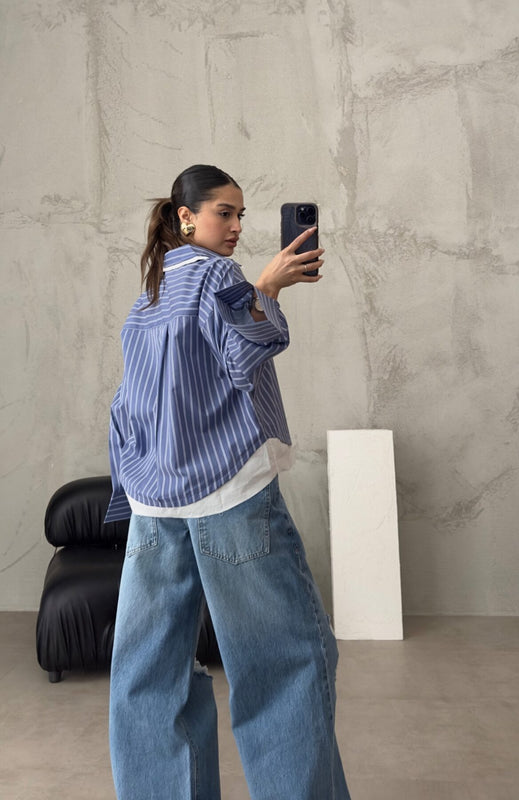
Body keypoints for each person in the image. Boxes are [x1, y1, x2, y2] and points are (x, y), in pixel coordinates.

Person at [105, 164, 351, 800]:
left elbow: (131, 401)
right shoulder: (218, 274)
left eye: (242, 214)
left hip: (154, 502)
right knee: (283, 663)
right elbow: (247, 349)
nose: (238, 227)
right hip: (229, 495)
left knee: (149, 675)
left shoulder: (152, 289)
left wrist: (133, 480)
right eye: (225, 213)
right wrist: (266, 288)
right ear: (186, 217)